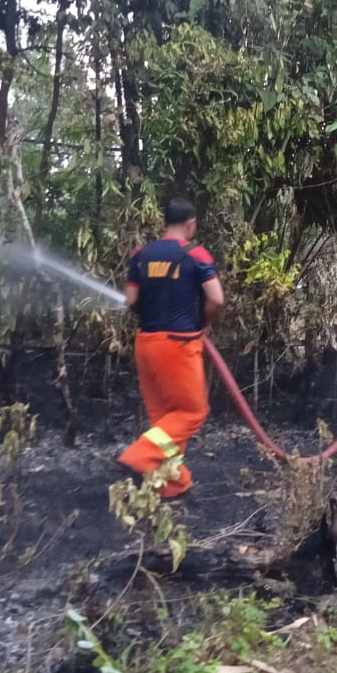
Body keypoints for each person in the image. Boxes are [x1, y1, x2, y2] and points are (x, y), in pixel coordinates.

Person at [117, 197, 224, 498]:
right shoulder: (196, 254)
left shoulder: (141, 255)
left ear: (165, 222)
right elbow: (216, 299)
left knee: (165, 420)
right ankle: (139, 457)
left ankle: (171, 482)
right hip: (178, 344)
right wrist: (202, 322)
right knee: (192, 412)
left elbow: (130, 301)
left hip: (146, 344)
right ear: (190, 224)